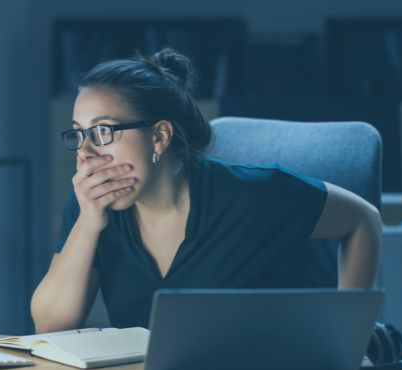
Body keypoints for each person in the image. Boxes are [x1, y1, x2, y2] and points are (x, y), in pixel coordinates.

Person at [31, 48, 381, 333]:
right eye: (79, 134)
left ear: (160, 136)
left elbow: (363, 219)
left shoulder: (255, 193)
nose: (86, 153)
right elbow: (50, 326)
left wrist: (349, 333)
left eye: (103, 131)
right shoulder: (92, 207)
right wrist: (88, 225)